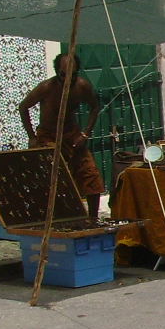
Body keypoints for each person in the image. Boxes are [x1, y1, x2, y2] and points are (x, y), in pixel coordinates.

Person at [19, 53, 105, 220]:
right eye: (63, 75)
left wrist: (85, 134)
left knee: (90, 174)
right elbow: (23, 107)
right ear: (57, 71)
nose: (67, 80)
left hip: (72, 135)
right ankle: (60, 217)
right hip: (48, 136)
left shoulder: (82, 86)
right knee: (56, 176)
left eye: (72, 76)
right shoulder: (46, 87)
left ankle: (93, 219)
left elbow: (95, 107)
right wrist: (32, 137)